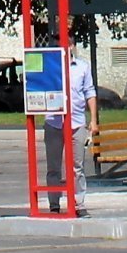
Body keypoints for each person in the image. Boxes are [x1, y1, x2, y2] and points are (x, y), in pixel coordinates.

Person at [42, 51, 98, 212]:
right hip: (54, 122)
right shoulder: (52, 66)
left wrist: (93, 120)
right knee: (53, 167)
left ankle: (78, 204)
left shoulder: (82, 67)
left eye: (69, 43)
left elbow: (90, 93)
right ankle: (54, 204)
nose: (66, 47)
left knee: (77, 166)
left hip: (77, 122)